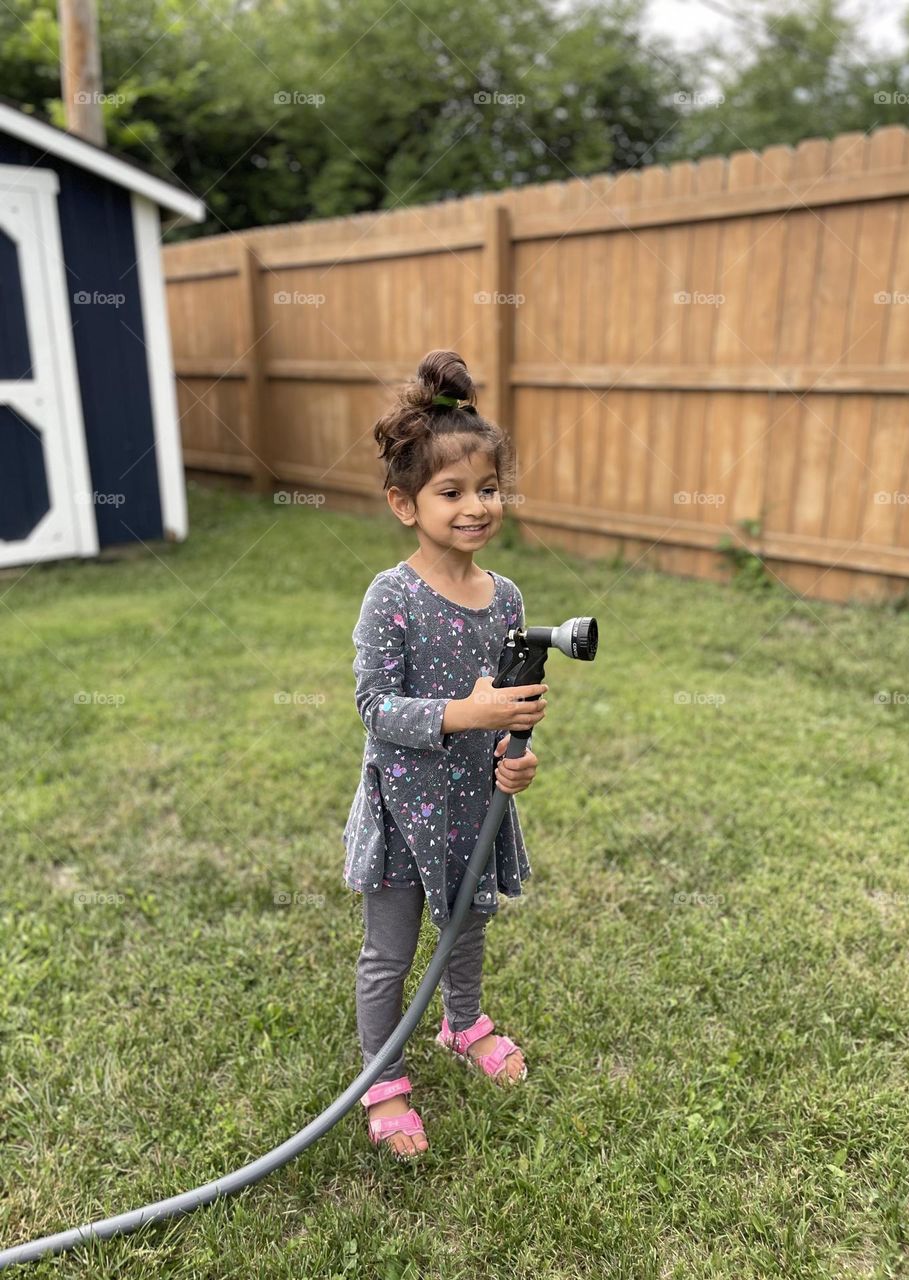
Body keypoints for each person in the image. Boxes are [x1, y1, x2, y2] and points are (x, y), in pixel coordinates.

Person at [342, 348, 549, 1161]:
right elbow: (374, 707)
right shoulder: (391, 597)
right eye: (451, 492)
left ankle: (463, 1025)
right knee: (388, 955)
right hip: (404, 807)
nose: (475, 507)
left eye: (487, 489)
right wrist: (467, 712)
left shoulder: (508, 599)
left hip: (473, 803)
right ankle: (384, 1081)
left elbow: (511, 709)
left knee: (467, 928)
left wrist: (516, 757)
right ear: (405, 503)